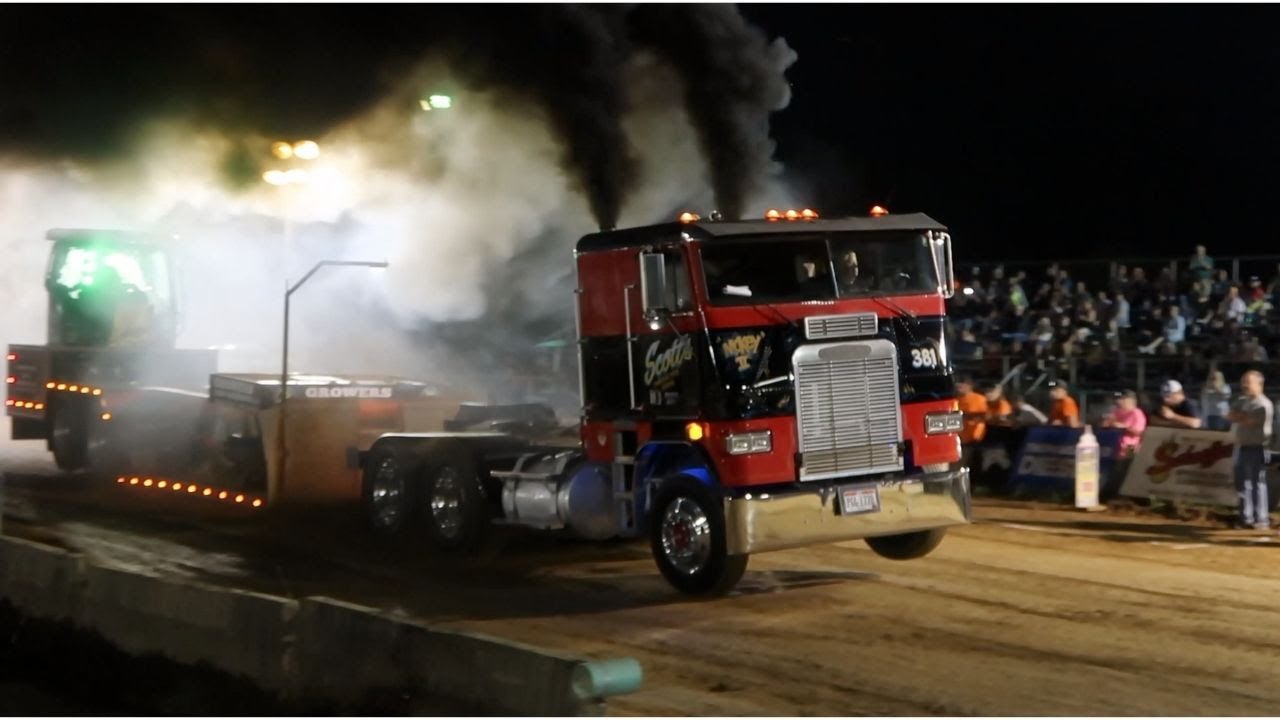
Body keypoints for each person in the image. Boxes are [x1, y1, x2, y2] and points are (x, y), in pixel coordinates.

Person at [1226, 370, 1274, 530]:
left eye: (1248, 382)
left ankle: (1261, 518)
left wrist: (1239, 416)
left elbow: (1248, 420)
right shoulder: (1244, 401)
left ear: (1259, 384)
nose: (1244, 385)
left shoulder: (1263, 404)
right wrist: (1240, 416)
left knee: (1256, 483)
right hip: (1243, 446)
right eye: (1243, 382)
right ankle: (1246, 517)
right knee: (1243, 484)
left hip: (1257, 447)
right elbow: (1230, 415)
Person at [955, 376, 989, 470]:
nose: (959, 385)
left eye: (962, 382)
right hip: (960, 439)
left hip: (976, 438)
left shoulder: (980, 399)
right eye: (958, 383)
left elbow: (986, 416)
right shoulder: (955, 400)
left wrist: (967, 416)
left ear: (970, 385)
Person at [1102, 389, 1147, 459]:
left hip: (1130, 450)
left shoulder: (1137, 413)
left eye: (1121, 399)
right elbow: (1105, 424)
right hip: (1114, 448)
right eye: (1117, 399)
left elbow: (1139, 433)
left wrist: (1124, 427)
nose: (1118, 401)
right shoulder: (1117, 411)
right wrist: (1108, 422)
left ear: (1130, 400)